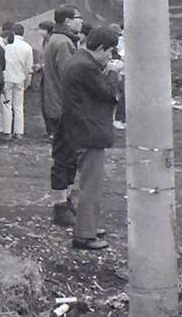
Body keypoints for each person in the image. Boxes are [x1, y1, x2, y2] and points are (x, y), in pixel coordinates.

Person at [61, 26, 119, 250]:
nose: (110, 56)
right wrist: (113, 74)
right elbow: (107, 93)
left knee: (89, 183)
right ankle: (85, 235)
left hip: (80, 129)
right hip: (90, 131)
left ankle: (91, 225)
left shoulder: (78, 61)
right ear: (101, 47)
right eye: (110, 51)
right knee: (91, 185)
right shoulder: (87, 67)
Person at [44, 4, 83, 226]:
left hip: (58, 105)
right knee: (65, 157)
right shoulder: (64, 43)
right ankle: (61, 205)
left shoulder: (58, 40)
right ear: (67, 21)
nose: (80, 21)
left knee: (66, 155)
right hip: (64, 107)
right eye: (77, 18)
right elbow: (71, 75)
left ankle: (65, 200)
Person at [0, 23, 34, 141]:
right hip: (20, 78)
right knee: (19, 106)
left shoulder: (7, 46)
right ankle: (19, 132)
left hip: (7, 77)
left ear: (12, 32)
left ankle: (6, 131)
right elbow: (29, 66)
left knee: (6, 105)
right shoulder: (27, 47)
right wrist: (28, 79)